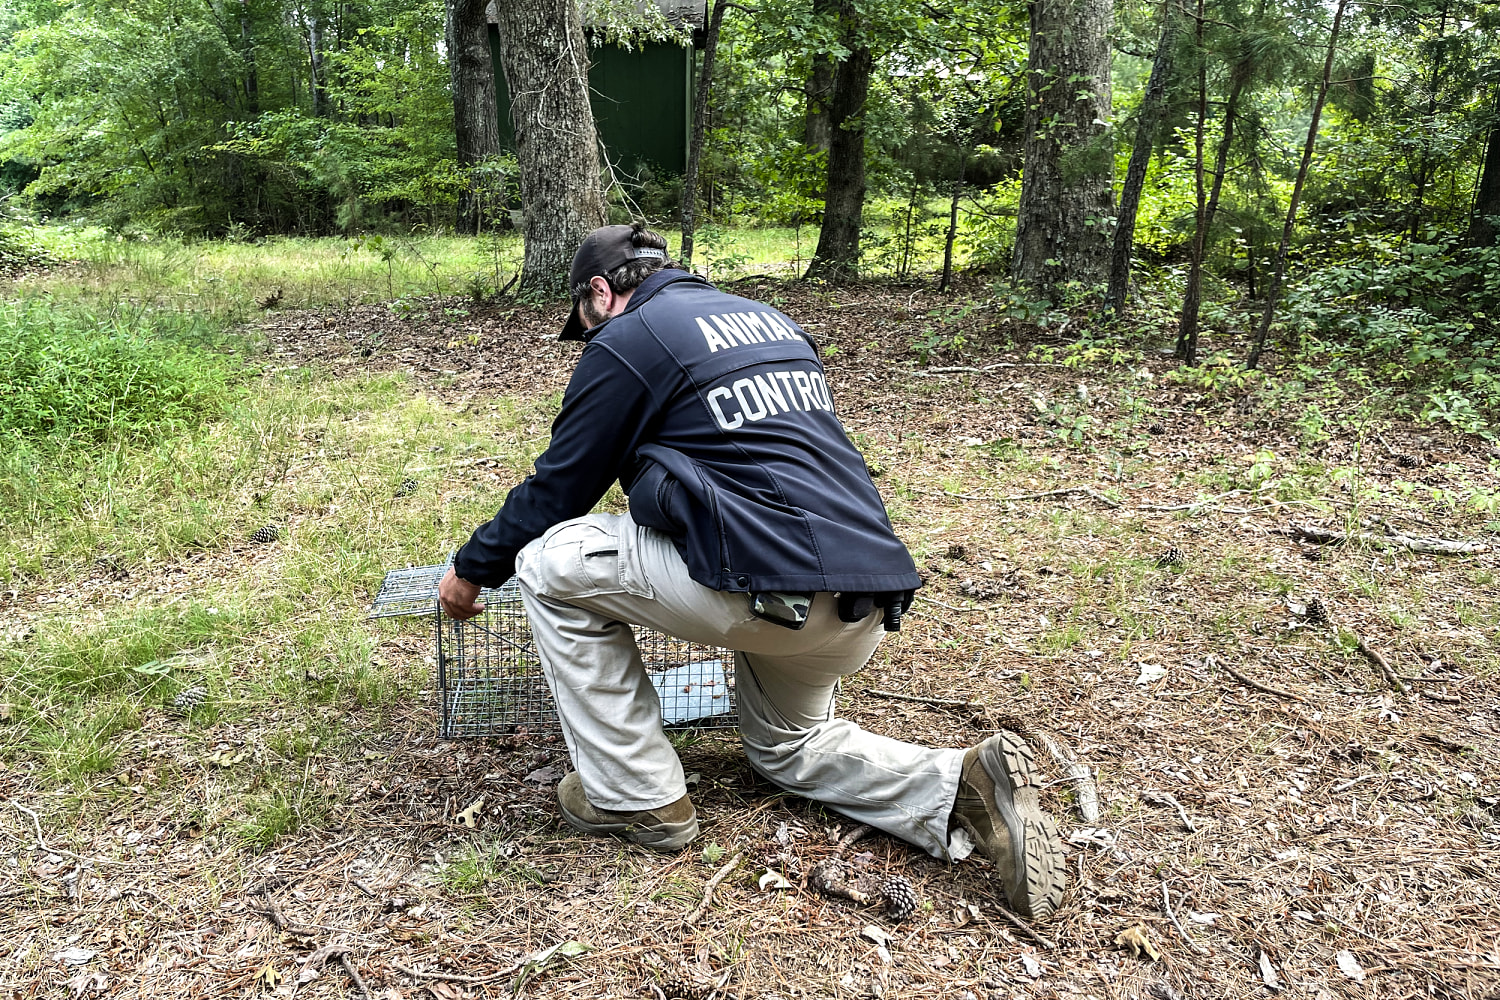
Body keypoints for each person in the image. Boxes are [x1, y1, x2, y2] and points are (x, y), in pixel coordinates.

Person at [437, 223, 1066, 920]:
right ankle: (961, 784)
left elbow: (560, 489)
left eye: (584, 327)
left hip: (755, 585)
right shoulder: (771, 321)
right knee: (790, 749)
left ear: (600, 292)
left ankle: (635, 798)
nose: (587, 343)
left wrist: (471, 570)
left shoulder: (629, 340)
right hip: (860, 595)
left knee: (547, 561)